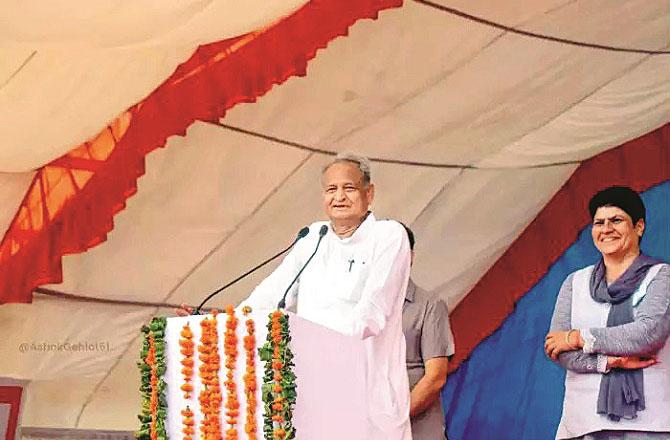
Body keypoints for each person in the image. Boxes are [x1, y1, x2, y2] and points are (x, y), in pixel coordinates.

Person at [182, 153, 412, 439]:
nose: (339, 197)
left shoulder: (389, 235)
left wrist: (308, 344)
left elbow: (372, 315)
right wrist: (227, 321)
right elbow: (271, 294)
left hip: (366, 393)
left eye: (349, 188)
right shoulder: (314, 237)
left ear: (369, 193)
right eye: (331, 190)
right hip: (311, 392)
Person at [544, 186, 670, 440]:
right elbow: (558, 349)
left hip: (648, 424)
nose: (606, 229)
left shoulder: (662, 276)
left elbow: (646, 334)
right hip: (583, 422)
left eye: (616, 220)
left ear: (639, 227)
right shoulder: (574, 282)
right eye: (599, 222)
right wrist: (606, 362)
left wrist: (579, 338)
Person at [401, 224, 454, 440]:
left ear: (410, 257)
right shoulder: (362, 310)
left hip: (418, 430)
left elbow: (435, 378)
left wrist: (396, 420)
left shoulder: (430, 305)